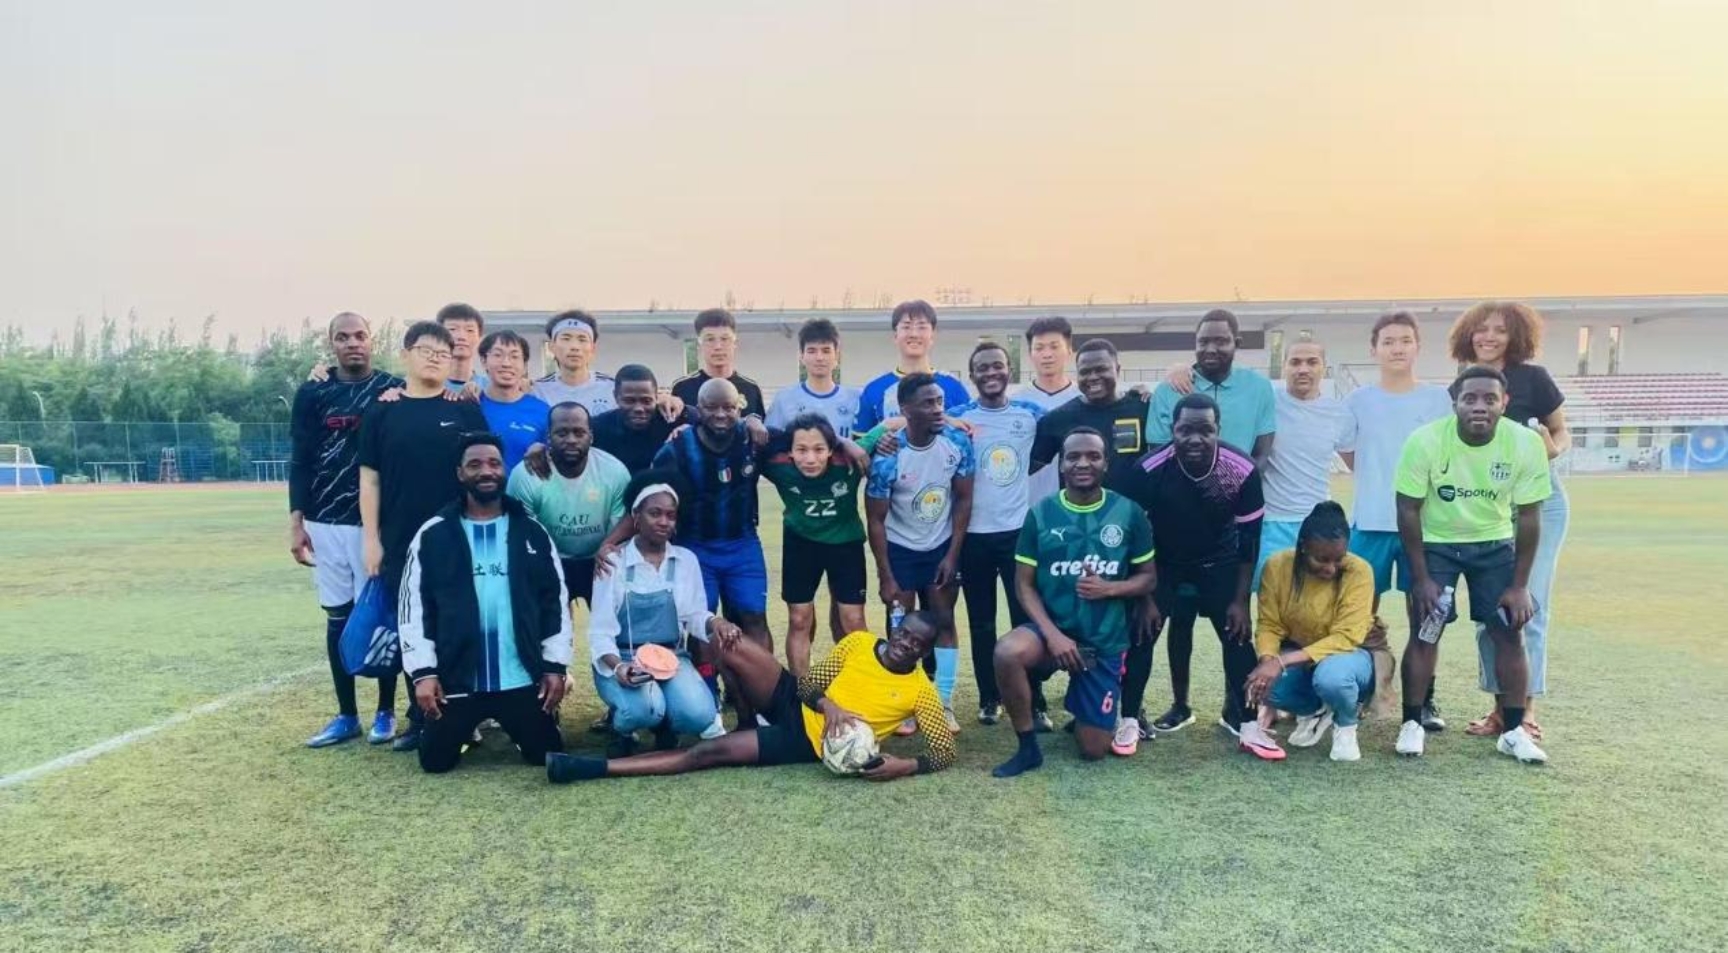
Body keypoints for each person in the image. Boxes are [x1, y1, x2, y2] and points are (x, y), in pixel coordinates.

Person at [547, 611, 956, 784]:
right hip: (797, 701)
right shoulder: (860, 642)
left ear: (925, 652)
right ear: (895, 629)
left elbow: (944, 751)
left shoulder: (920, 692)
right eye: (904, 634)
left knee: (704, 755)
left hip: (805, 741)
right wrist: (828, 705)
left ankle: (590, 768)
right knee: (728, 642)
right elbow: (808, 685)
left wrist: (906, 765)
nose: (905, 644)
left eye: (917, 644)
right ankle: (747, 718)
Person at [1393, 365, 1551, 764]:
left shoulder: (1525, 443)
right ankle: (1411, 723)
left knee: (1509, 632)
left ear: (1504, 403)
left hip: (1494, 545)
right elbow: (1407, 509)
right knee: (1426, 631)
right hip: (1437, 544)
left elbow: (1529, 516)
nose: (1479, 406)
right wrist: (1421, 578)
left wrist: (1519, 586)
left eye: (1489, 398)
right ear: (1455, 404)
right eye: (1470, 398)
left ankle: (1513, 731)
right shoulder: (1425, 441)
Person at [397, 433, 571, 774]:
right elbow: (413, 608)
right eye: (474, 465)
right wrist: (423, 673)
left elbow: (555, 602)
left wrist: (555, 666)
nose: (486, 471)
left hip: (520, 677)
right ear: (460, 473)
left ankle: (523, 726)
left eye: (493, 463)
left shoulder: (531, 532)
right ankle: (462, 731)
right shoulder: (433, 534)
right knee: (435, 762)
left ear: (504, 469)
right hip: (458, 680)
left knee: (545, 754)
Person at [991, 428, 1156, 776]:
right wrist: (1053, 636)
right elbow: (1024, 586)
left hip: (1103, 641)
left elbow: (1148, 578)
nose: (1083, 463)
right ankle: (1028, 748)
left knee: (1093, 750)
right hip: (1051, 634)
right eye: (1073, 456)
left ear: (1106, 463)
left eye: (1093, 456)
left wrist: (1108, 589)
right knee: (1007, 652)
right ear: (1061, 465)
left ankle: (1084, 703)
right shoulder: (1040, 514)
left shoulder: (1129, 513)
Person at [357, 320, 489, 752]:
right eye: (426, 350)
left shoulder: (464, 409)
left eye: (442, 353)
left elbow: (483, 472)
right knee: (413, 627)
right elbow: (370, 480)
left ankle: (463, 715)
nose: (434, 358)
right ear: (406, 355)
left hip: (458, 539)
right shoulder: (382, 410)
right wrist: (371, 539)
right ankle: (420, 717)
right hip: (400, 542)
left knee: (457, 624)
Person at [1448, 302, 1571, 741]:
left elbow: (1561, 432)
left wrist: (1552, 450)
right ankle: (1500, 708)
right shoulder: (1463, 383)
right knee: (1491, 611)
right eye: (1481, 329)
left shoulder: (1534, 379)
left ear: (1515, 336)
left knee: (1527, 607)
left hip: (1540, 503)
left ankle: (1527, 709)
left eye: (1499, 330)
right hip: (1489, 506)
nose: (1489, 337)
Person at [1115, 393, 1264, 746]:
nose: (1195, 439)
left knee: (1238, 637)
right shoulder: (1149, 470)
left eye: (1204, 430)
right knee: (1141, 634)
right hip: (1163, 564)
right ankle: (1129, 719)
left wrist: (1240, 600)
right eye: (1185, 430)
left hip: (1219, 561)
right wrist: (1144, 597)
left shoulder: (1242, 470)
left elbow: (1249, 541)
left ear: (1218, 429)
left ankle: (1249, 725)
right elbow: (1135, 538)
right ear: (1173, 430)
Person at [289, 312, 404, 748]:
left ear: (371, 341)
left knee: (379, 616)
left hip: (372, 524)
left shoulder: (392, 389)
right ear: (331, 343)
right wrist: (297, 521)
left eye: (359, 335)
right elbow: (300, 458)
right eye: (343, 337)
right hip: (324, 521)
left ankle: (386, 711)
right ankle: (346, 714)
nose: (352, 343)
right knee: (337, 617)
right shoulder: (313, 391)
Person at [1343, 312, 1453, 731]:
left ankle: (1423, 700)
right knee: (1357, 615)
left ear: (1418, 347)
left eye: (1405, 340)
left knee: (1424, 617)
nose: (1397, 348)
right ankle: (1356, 693)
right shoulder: (1359, 400)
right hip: (1370, 521)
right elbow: (1350, 454)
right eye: (1388, 341)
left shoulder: (1437, 400)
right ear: (1374, 349)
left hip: (1423, 526)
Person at [864, 373, 974, 732]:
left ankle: (942, 703)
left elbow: (964, 498)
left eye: (940, 401)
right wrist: (886, 575)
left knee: (944, 620)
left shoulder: (957, 441)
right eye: (928, 403)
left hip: (940, 547)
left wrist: (952, 555)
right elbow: (875, 520)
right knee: (902, 628)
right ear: (905, 409)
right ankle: (903, 704)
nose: (938, 409)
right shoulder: (888, 455)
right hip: (900, 550)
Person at [949, 342, 1051, 727]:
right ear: (972, 375)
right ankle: (990, 697)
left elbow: (1071, 418)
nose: (991, 373)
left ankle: (1035, 700)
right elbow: (920, 424)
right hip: (972, 537)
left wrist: (1137, 393)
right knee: (981, 622)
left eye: (998, 365)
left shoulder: (1030, 414)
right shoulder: (959, 417)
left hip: (1017, 535)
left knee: (1026, 619)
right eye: (983, 368)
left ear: (1010, 370)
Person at [587, 483, 731, 754]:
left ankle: (667, 726)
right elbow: (600, 632)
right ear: (636, 517)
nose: (664, 521)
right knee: (643, 709)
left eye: (670, 515)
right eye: (654, 513)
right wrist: (619, 668)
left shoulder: (686, 560)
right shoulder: (613, 562)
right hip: (625, 658)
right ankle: (623, 730)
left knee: (700, 714)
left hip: (670, 658)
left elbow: (694, 615)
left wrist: (716, 623)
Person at [1241, 502, 1378, 762]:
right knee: (1264, 685)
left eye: (1339, 559)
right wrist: (1268, 662)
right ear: (1303, 546)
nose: (1331, 568)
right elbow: (1269, 624)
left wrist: (1281, 662)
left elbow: (1346, 637)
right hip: (1300, 655)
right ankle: (1316, 709)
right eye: (1321, 559)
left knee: (1333, 678)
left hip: (1348, 656)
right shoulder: (1276, 566)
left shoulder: (1359, 571)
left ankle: (1346, 724)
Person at [762, 413, 870, 677]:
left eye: (819, 449)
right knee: (799, 618)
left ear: (831, 450)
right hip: (800, 545)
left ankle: (862, 685)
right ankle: (803, 690)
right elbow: (746, 431)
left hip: (846, 545)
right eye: (801, 450)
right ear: (789, 452)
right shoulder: (776, 465)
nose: (810, 459)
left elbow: (892, 424)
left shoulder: (849, 460)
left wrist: (849, 442)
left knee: (853, 620)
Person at [506, 401, 629, 609]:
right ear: (548, 437)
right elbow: (523, 536)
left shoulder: (614, 472)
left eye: (579, 433)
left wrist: (604, 554)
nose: (571, 440)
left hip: (599, 560)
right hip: (547, 561)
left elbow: (617, 536)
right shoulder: (526, 475)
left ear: (591, 436)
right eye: (562, 433)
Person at [1254, 341, 1356, 590]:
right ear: (1284, 367)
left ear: (1324, 368)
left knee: (1316, 601)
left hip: (1317, 525)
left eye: (1312, 362)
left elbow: (1357, 465)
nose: (1303, 369)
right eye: (1295, 362)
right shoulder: (1266, 402)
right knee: (1272, 601)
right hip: (1271, 523)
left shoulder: (1339, 414)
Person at [1147, 309, 1276, 469]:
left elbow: (1261, 455)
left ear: (1237, 344)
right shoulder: (1168, 390)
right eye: (1203, 342)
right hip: (1180, 484)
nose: (1210, 349)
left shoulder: (1259, 387)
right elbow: (1158, 457)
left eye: (1220, 342)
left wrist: (1234, 483)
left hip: (1241, 483)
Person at [1030, 338, 1151, 492]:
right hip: (1078, 507)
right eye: (1085, 372)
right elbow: (1024, 466)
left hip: (1131, 506)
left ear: (1118, 369)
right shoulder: (1058, 418)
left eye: (1101, 369)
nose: (1093, 377)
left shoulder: (1142, 407)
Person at [854, 300, 971, 434]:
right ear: (895, 335)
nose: (914, 334)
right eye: (906, 327)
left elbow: (969, 434)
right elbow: (859, 442)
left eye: (922, 327)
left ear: (932, 336)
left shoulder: (953, 387)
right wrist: (880, 438)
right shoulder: (874, 389)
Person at [765, 318, 862, 439]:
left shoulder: (856, 399)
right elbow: (770, 444)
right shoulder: (784, 399)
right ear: (801, 356)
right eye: (812, 351)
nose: (819, 358)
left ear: (836, 355)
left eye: (826, 351)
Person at [671, 308, 766, 420]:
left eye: (724, 339)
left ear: (735, 343)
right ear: (699, 345)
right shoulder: (682, 388)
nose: (718, 346)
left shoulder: (751, 389)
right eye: (710, 339)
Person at [476, 330, 551, 472]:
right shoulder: (471, 407)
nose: (506, 363)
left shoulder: (543, 411)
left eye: (514, 356)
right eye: (498, 355)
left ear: (525, 365)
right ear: (484, 361)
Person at [531, 310, 616, 413]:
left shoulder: (612, 388)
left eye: (582, 340)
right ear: (552, 347)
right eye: (566, 339)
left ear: (593, 348)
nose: (574, 347)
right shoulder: (537, 391)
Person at [1015, 316, 1081, 411]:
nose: (1047, 354)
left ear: (1069, 351)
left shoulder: (1083, 397)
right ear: (1030, 354)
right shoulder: (1017, 402)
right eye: (1039, 348)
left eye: (1054, 347)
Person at [435, 302, 488, 392]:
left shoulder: (492, 389)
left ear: (479, 338)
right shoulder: (425, 386)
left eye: (470, 330)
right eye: (452, 329)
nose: (461, 336)